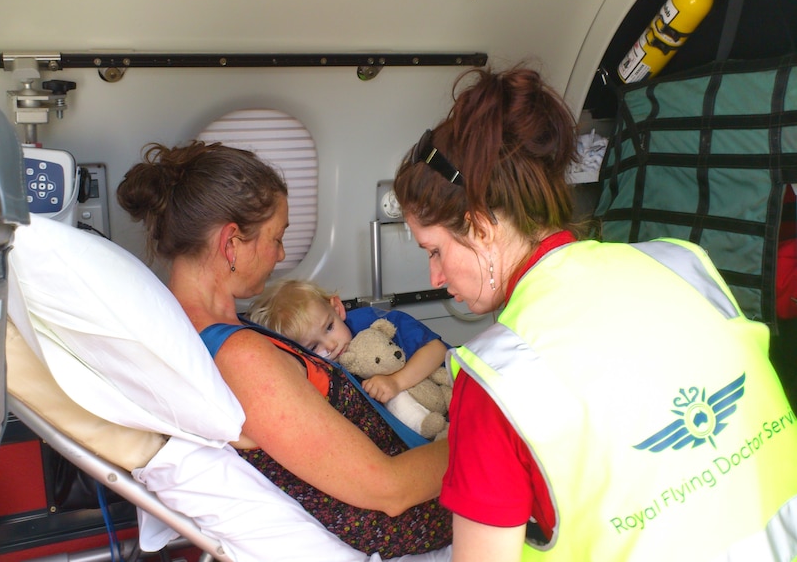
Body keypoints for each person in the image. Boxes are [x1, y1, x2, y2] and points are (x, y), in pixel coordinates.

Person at [392, 66, 797, 561]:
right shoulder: (681, 264)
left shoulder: (499, 379)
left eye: (433, 250)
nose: (435, 277)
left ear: (479, 227)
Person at [117, 140, 451, 558]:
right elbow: (389, 489)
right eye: (276, 238)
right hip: (422, 515)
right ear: (231, 244)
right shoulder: (241, 357)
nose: (281, 253)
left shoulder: (216, 333)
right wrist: (491, 441)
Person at [247, 279, 448, 404]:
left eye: (329, 327)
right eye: (314, 347)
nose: (331, 345)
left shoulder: (376, 322)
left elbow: (436, 350)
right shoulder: (320, 371)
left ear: (337, 308)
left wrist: (396, 382)